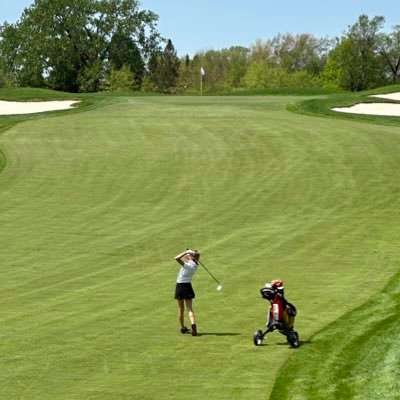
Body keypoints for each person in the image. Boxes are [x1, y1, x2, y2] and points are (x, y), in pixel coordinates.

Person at [174, 249, 200, 336]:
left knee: (181, 309)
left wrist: (186, 252)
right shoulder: (195, 265)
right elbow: (186, 258)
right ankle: (193, 325)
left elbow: (177, 258)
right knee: (189, 308)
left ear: (192, 257)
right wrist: (190, 253)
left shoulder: (188, 265)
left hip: (180, 286)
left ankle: (183, 328)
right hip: (188, 286)